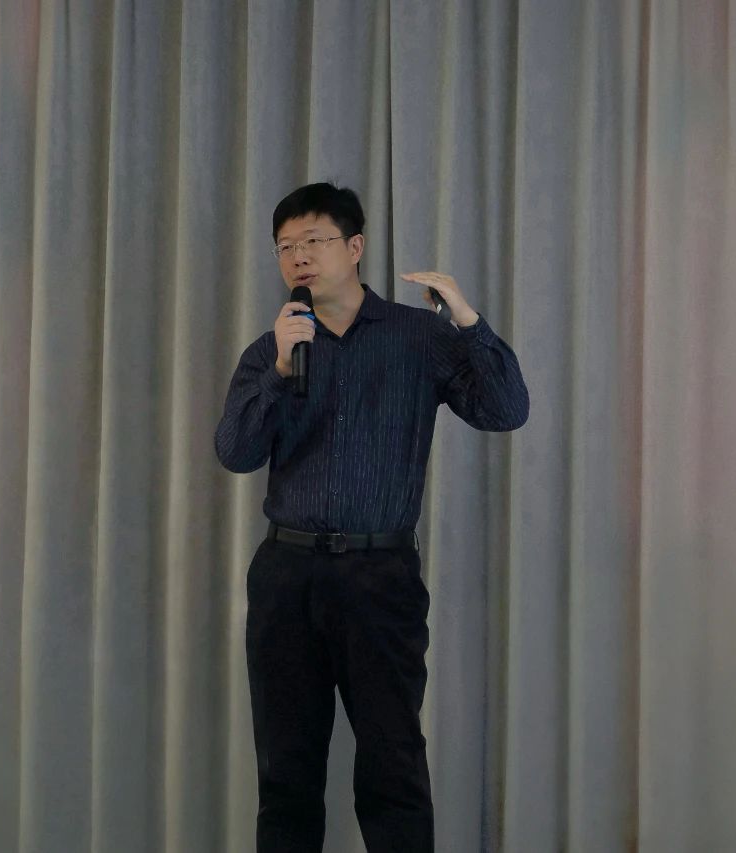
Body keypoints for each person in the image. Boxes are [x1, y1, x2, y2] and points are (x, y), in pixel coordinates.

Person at [215, 183, 529, 852]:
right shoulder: (272, 347)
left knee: (393, 766)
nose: (299, 257)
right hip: (287, 576)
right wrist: (278, 370)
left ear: (354, 247)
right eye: (285, 247)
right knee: (286, 772)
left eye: (314, 241)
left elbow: (505, 410)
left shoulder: (419, 337)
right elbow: (236, 453)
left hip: (379, 574)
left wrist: (468, 322)